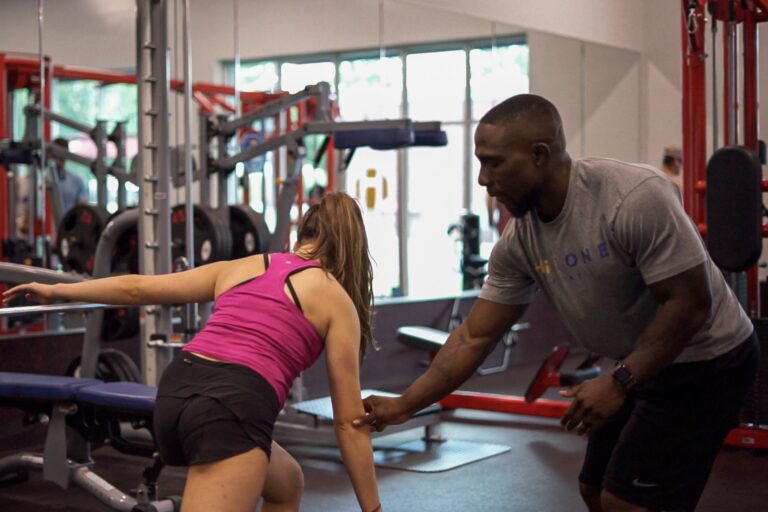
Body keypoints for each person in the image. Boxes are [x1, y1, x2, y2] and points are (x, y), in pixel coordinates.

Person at [354, 94, 759, 512]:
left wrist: (619, 381)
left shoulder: (632, 198)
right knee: (593, 490)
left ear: (539, 155)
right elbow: (475, 336)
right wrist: (405, 404)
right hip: (638, 359)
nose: (482, 178)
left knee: (627, 503)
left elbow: (690, 305)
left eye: (493, 162)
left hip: (708, 361)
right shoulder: (520, 241)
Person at [3, 192, 383, 512]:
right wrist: (373, 509)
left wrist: (58, 290)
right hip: (229, 404)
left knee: (287, 482)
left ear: (305, 234)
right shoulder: (336, 299)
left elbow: (137, 289)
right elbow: (349, 423)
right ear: (354, 250)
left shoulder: (242, 266)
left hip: (176, 391)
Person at [50, 137, 89, 213]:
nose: (57, 160)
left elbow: (83, 209)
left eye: (60, 157)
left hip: (69, 223)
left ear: (66, 157)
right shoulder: (43, 180)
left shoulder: (77, 181)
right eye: (55, 156)